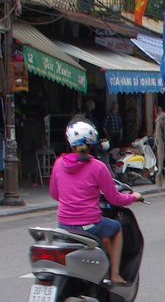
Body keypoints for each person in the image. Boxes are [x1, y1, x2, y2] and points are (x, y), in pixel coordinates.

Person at [49, 119, 143, 285]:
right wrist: (133, 196)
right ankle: (114, 274)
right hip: (89, 225)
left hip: (63, 225)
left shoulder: (58, 164)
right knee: (116, 228)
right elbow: (115, 198)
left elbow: (55, 194)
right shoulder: (97, 167)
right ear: (93, 144)